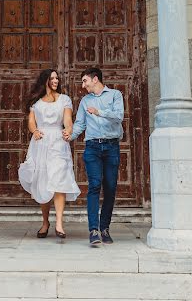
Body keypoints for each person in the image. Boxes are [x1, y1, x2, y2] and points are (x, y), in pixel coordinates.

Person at [18, 68, 80, 239]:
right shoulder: (36, 102)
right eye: (52, 78)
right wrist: (35, 131)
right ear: (45, 80)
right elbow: (31, 121)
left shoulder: (64, 100)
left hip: (58, 142)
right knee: (43, 182)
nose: (56, 81)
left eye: (57, 78)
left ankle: (59, 223)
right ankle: (45, 223)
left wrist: (69, 130)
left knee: (59, 180)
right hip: (41, 142)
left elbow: (68, 119)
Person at [65, 67, 124, 247]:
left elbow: (119, 116)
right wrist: (69, 136)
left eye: (85, 81)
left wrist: (99, 112)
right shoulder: (85, 101)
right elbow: (80, 124)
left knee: (110, 188)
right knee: (94, 185)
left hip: (112, 146)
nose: (83, 86)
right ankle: (93, 230)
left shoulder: (115, 95)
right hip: (92, 147)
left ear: (95, 79)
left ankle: (105, 228)